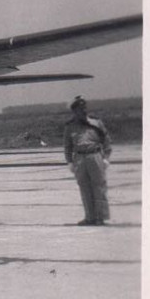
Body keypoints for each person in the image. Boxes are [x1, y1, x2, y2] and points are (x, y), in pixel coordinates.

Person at [63, 95, 112, 225]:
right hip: (79, 158)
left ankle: (100, 218)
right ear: (74, 111)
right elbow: (67, 146)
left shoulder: (96, 123)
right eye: (79, 109)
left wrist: (106, 158)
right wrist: (69, 162)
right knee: (84, 188)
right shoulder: (70, 127)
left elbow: (106, 141)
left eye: (84, 108)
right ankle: (89, 218)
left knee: (99, 187)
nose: (82, 111)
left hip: (95, 156)